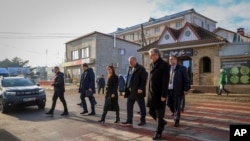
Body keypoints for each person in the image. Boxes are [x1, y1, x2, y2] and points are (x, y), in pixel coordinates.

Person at [147, 48, 169, 140]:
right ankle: (162, 123)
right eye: (150, 55)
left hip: (160, 94)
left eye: (151, 55)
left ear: (157, 55)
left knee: (159, 115)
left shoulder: (164, 65)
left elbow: (165, 81)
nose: (150, 57)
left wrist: (164, 95)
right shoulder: (151, 64)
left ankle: (158, 133)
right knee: (151, 111)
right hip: (152, 93)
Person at [122, 56, 148, 126]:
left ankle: (143, 120)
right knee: (129, 106)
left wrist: (141, 88)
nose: (129, 63)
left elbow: (144, 79)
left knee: (141, 106)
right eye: (129, 62)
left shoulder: (141, 68)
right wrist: (126, 88)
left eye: (130, 62)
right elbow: (128, 79)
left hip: (138, 92)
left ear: (135, 61)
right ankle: (129, 120)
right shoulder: (130, 68)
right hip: (131, 92)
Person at [167, 54, 190, 127]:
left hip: (178, 90)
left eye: (171, 59)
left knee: (177, 105)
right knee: (169, 103)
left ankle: (177, 119)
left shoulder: (182, 68)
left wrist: (186, 89)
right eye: (169, 59)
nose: (170, 61)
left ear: (176, 60)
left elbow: (186, 79)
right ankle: (175, 113)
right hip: (169, 89)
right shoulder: (168, 68)